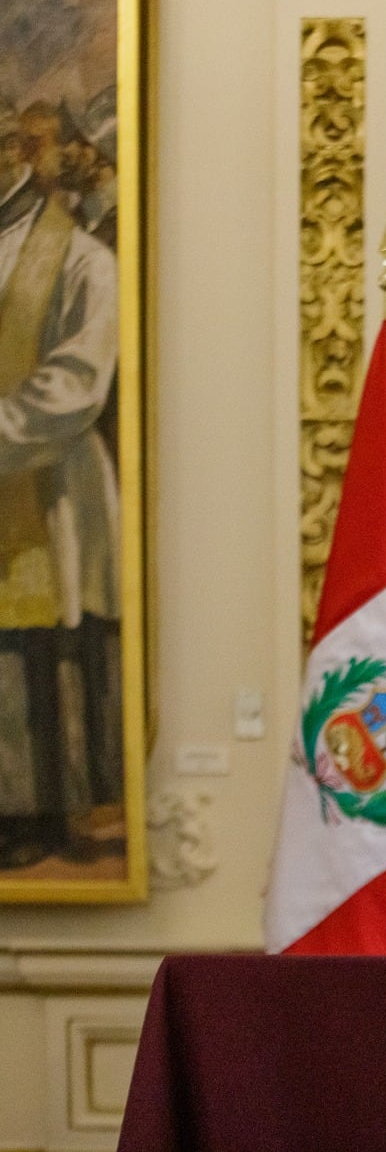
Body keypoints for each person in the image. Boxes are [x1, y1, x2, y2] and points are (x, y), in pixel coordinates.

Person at [0, 103, 122, 871]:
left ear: (14, 151)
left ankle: (49, 810)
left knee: (49, 652)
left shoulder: (80, 258)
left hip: (51, 487)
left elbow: (78, 379)